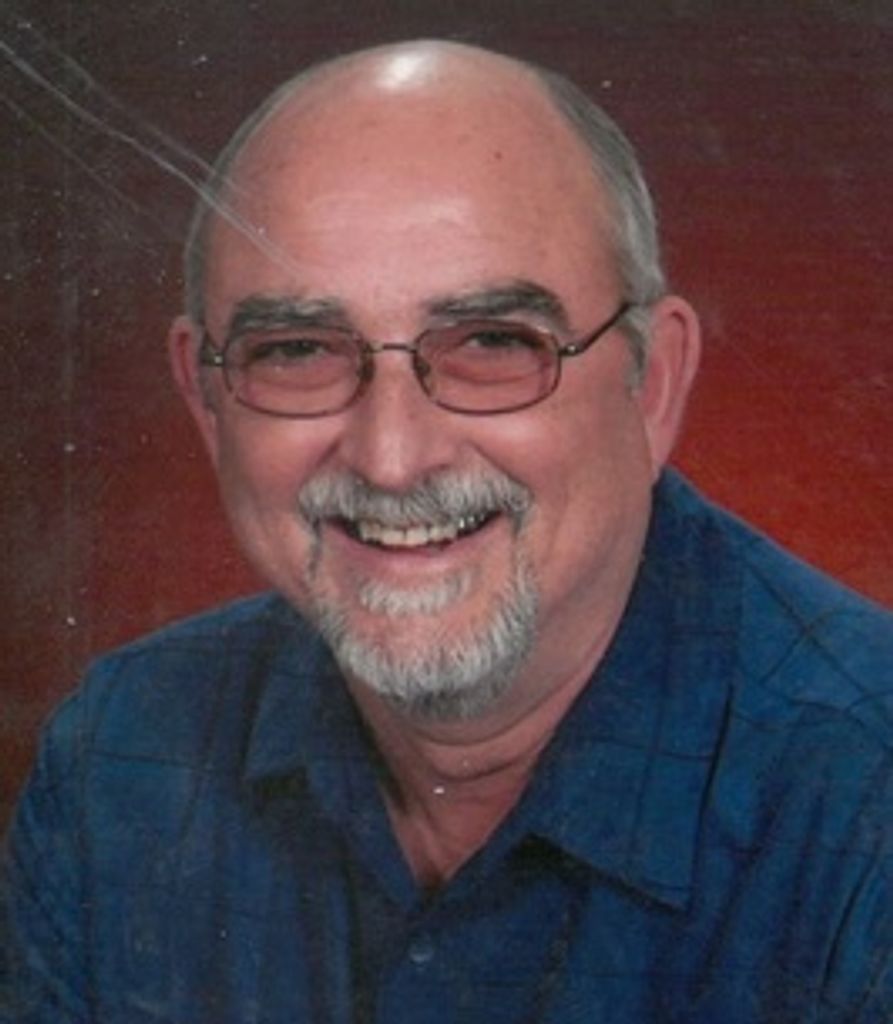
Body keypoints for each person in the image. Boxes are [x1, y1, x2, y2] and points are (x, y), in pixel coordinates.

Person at [2, 39, 891, 1024]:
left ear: (653, 384)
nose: (391, 457)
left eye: (493, 343)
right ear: (205, 400)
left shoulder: (868, 805)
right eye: (296, 349)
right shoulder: (118, 756)